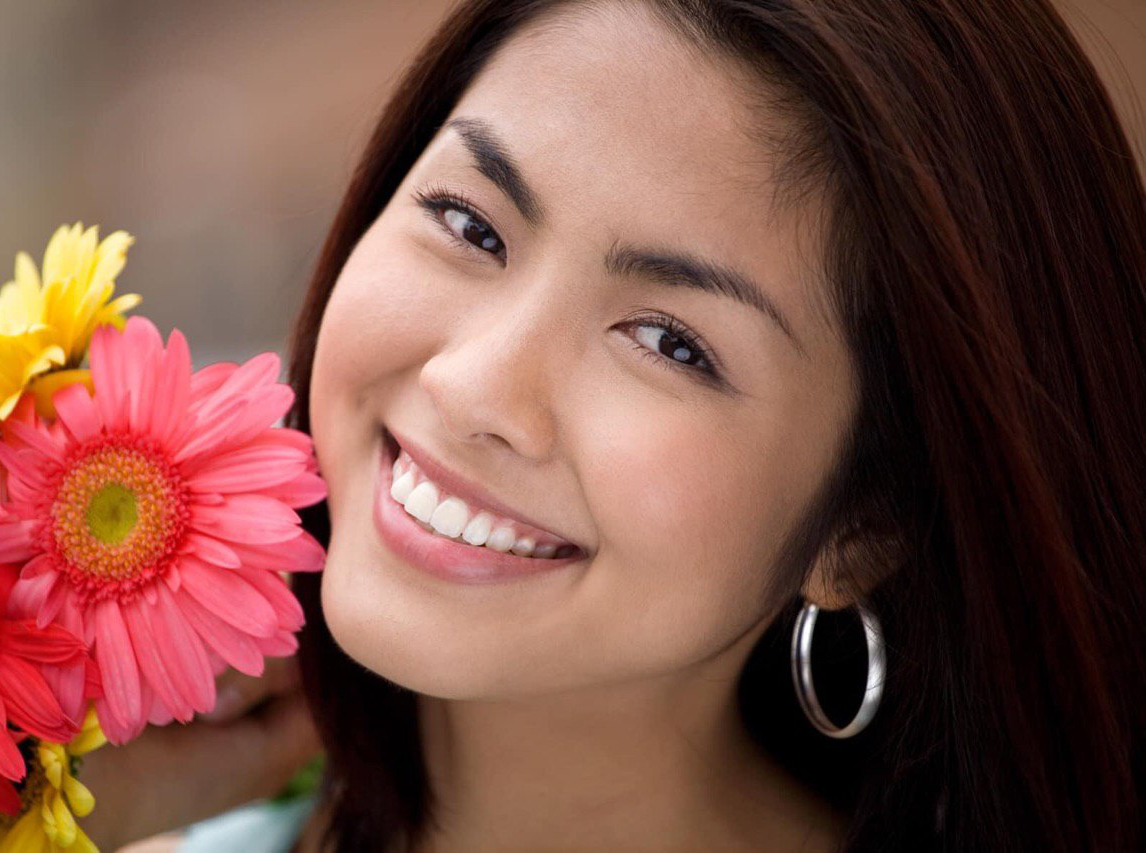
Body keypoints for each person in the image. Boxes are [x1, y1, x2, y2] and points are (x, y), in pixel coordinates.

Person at [78, 0, 1146, 850]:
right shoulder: (130, 816)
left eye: (670, 342)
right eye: (468, 223)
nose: (472, 387)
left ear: (859, 529)